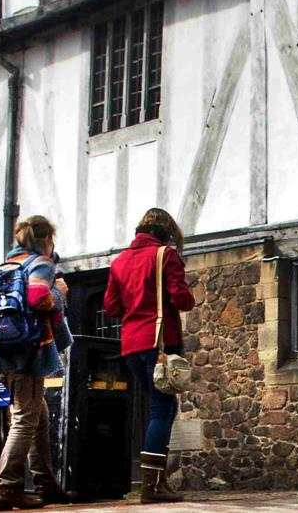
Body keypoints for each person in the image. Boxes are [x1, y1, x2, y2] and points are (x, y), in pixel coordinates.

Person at [104, 208, 197, 504]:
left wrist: (136, 305)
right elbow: (181, 299)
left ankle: (156, 481)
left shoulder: (119, 262)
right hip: (160, 344)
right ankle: (152, 486)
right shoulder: (165, 256)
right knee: (162, 410)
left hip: (132, 346)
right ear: (166, 233)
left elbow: (111, 307)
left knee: (159, 409)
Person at [0, 216, 75, 510]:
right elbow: (38, 297)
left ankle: (46, 484)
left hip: (3, 352)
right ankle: (8, 486)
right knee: (25, 417)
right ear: (46, 240)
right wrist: (59, 294)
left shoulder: (7, 266)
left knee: (40, 417)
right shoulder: (40, 264)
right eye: (52, 241)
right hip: (27, 353)